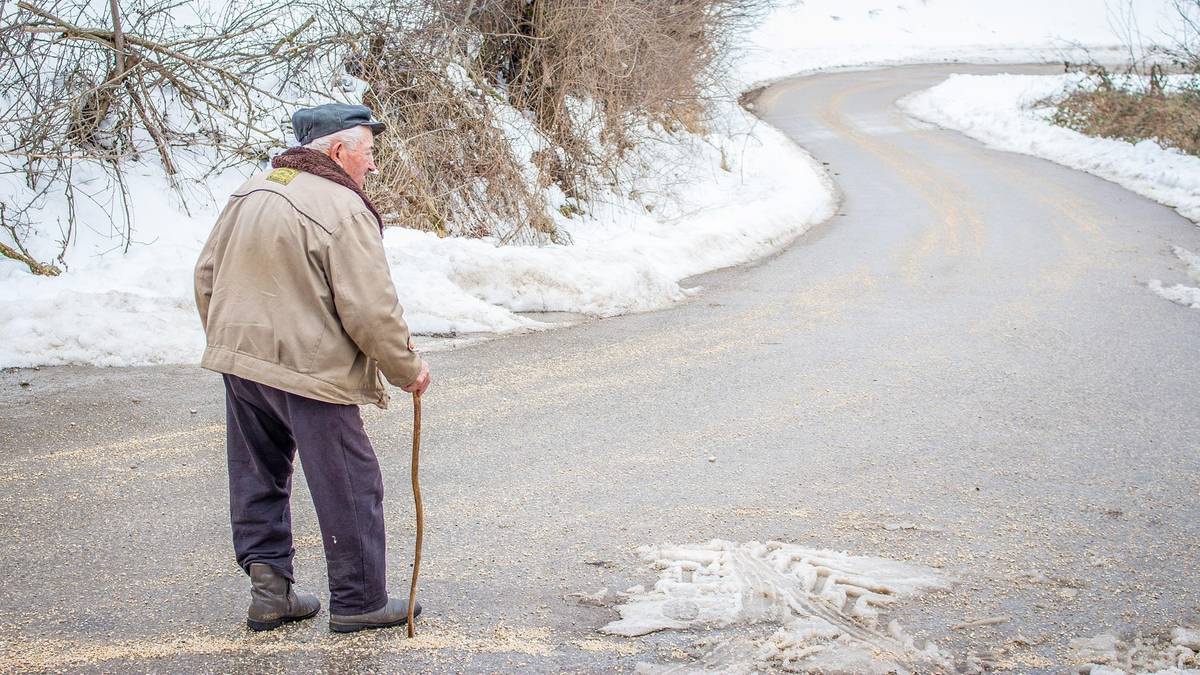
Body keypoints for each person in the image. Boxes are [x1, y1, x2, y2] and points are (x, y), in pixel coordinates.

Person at [193, 103, 431, 633]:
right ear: (340, 149)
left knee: (258, 474)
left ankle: (271, 592)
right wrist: (405, 368)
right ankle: (361, 600)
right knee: (351, 480)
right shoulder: (343, 207)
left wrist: (230, 340)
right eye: (368, 153)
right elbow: (370, 308)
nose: (372, 167)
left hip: (242, 359)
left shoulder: (250, 190)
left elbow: (206, 274)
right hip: (308, 367)